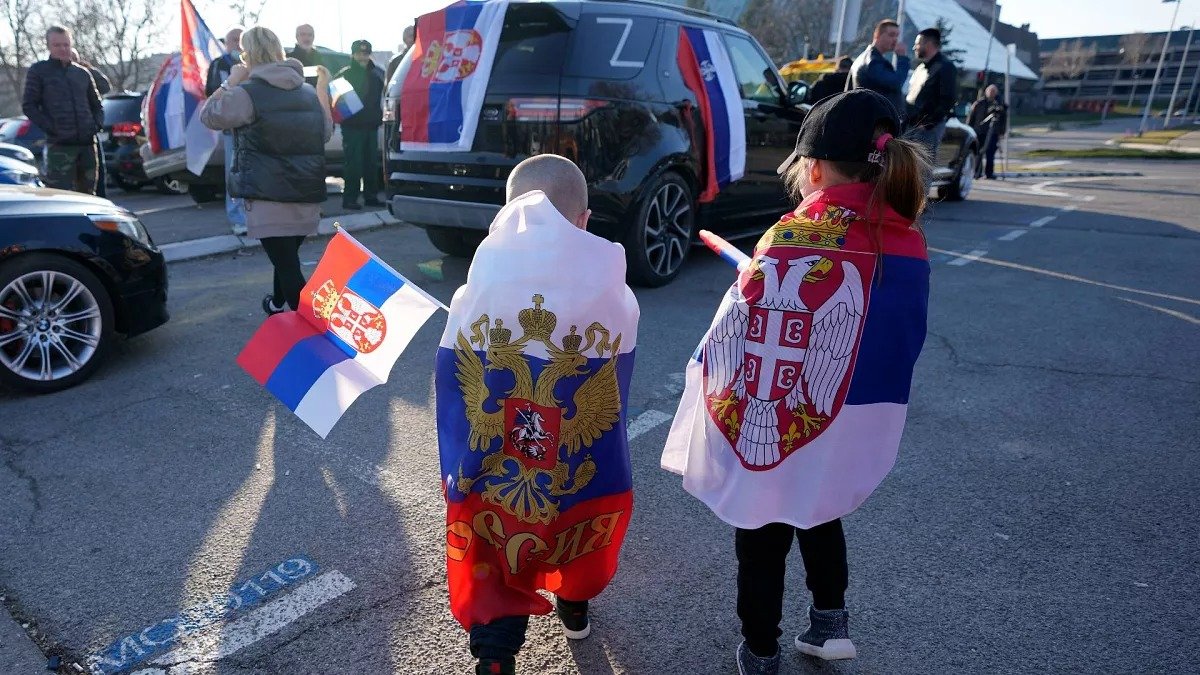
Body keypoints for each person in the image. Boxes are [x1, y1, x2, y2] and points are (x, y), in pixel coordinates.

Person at [660, 89, 932, 674]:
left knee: (760, 533)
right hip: (837, 419)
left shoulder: (790, 235)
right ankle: (830, 625)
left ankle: (760, 650)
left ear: (810, 168)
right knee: (821, 507)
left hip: (775, 416)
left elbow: (738, 328)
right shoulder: (904, 236)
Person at [435, 154, 640, 675]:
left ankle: (496, 653)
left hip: (496, 464)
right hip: (570, 464)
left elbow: (455, 385)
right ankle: (573, 605)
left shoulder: (476, 287)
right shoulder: (612, 289)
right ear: (584, 222)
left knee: (497, 539)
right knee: (573, 507)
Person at [200, 26, 332, 315]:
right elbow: (325, 132)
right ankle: (276, 303)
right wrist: (322, 92)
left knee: (288, 265)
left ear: (247, 55)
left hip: (267, 195)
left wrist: (229, 82)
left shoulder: (246, 93)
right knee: (287, 259)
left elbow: (208, 116)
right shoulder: (307, 91)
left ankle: (315, 336)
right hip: (305, 193)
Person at [21, 26, 104, 194]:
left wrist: (95, 126)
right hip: (60, 148)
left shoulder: (82, 73)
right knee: (60, 197)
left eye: (66, 44)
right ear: (49, 46)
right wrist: (53, 129)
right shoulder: (39, 71)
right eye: (57, 45)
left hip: (87, 145)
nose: (62, 49)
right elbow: (29, 105)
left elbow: (97, 105)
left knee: (90, 197)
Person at [206, 27, 249, 236]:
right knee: (234, 175)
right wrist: (232, 81)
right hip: (231, 130)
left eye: (242, 40)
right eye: (234, 39)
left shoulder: (252, 63)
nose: (239, 44)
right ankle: (237, 219)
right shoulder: (219, 64)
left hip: (252, 127)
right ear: (227, 43)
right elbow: (211, 92)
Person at [335, 39, 384, 210]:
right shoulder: (344, 75)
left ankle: (371, 196)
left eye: (365, 53)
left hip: (371, 126)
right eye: (359, 53)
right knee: (353, 164)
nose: (362, 57)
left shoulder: (377, 74)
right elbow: (336, 102)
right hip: (352, 127)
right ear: (353, 54)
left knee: (371, 164)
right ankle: (350, 199)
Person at [905, 27, 958, 163]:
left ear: (928, 44)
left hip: (928, 129)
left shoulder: (945, 67)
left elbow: (948, 99)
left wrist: (928, 123)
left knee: (921, 171)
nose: (914, 47)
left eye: (917, 43)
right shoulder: (921, 68)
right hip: (911, 126)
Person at [70, 48, 112, 198]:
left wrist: (87, 70)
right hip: (67, 135)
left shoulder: (85, 75)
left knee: (97, 171)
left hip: (88, 131)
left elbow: (105, 86)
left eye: (74, 59)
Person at [848, 19, 910, 120]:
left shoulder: (866, 58)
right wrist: (902, 59)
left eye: (897, 36)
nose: (895, 40)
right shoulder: (873, 61)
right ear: (877, 35)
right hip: (873, 121)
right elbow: (895, 83)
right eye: (891, 35)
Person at [968, 84, 1007, 179]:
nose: (992, 93)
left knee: (990, 154)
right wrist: (969, 130)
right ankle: (977, 173)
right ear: (986, 92)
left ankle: (989, 173)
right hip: (979, 132)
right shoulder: (978, 103)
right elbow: (971, 118)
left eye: (994, 91)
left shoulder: (999, 104)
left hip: (993, 132)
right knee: (978, 153)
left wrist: (1002, 132)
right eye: (990, 91)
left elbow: (1003, 119)